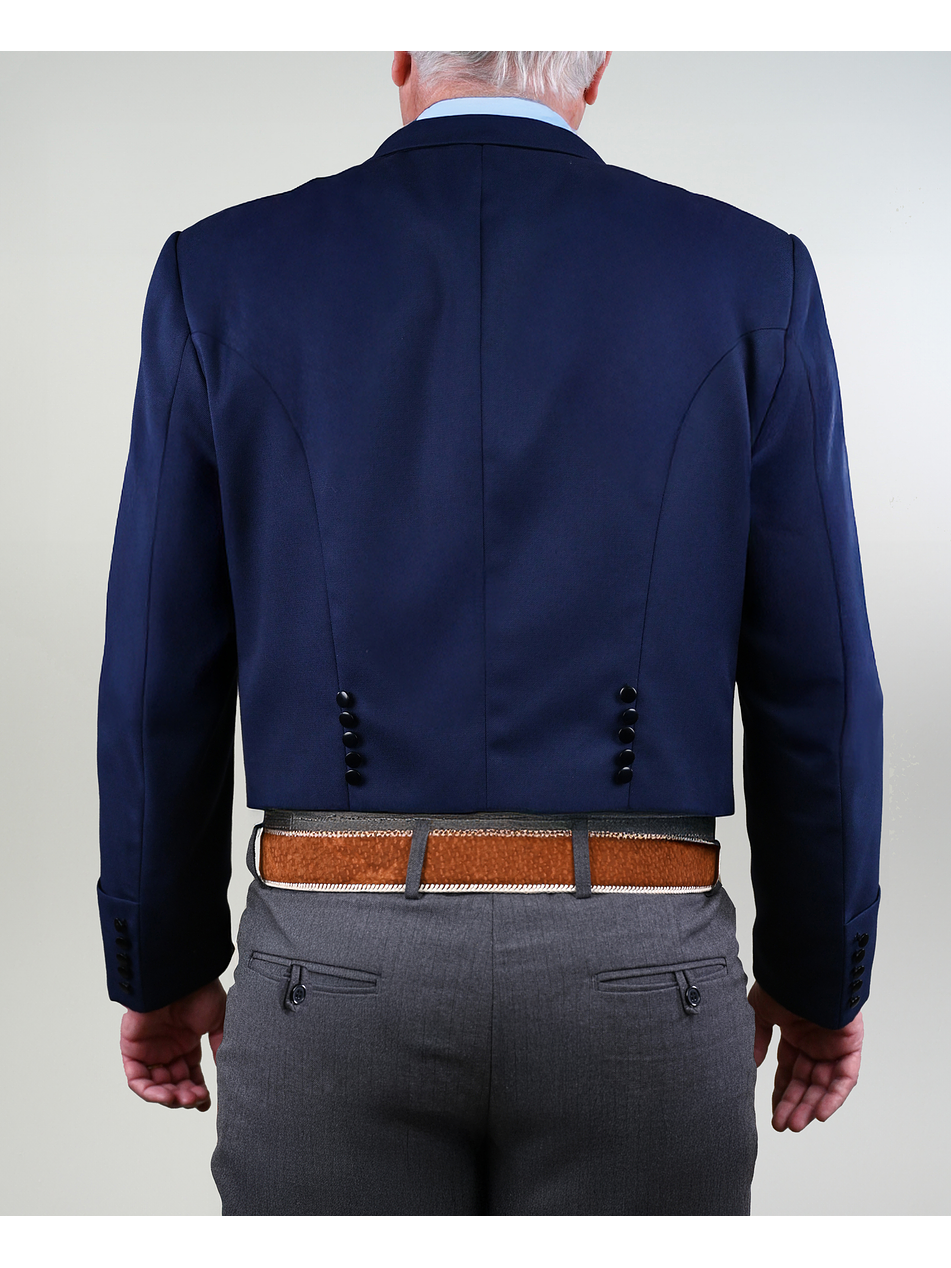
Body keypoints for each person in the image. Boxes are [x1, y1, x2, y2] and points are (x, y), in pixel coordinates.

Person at [100, 52, 881, 1215]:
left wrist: (160, 965)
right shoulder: (751, 277)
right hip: (637, 968)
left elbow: (158, 674)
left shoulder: (218, 273)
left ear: (402, 58)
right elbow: (817, 681)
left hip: (332, 965)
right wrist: (818, 979)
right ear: (596, 66)